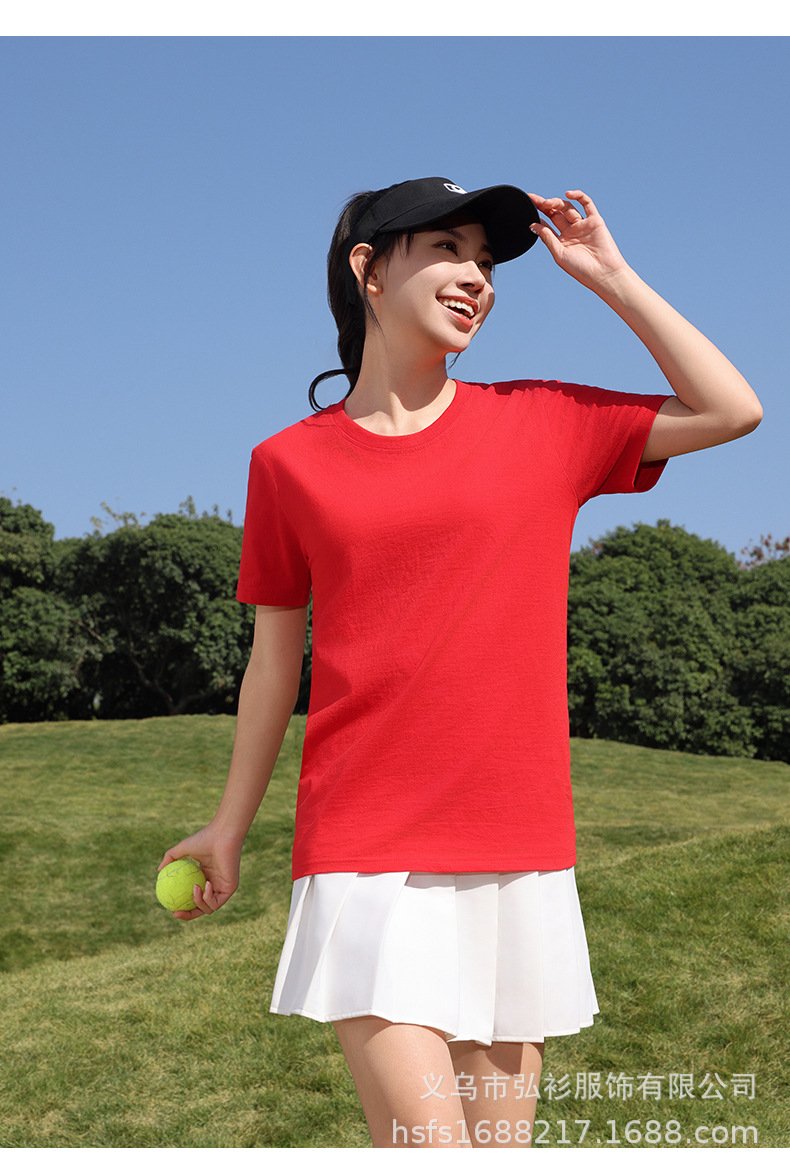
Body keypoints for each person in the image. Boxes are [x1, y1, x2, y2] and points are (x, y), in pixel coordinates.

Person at [159, 177, 762, 1149]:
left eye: (485, 261)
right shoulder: (288, 463)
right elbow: (272, 666)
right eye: (446, 248)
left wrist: (610, 278)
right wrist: (229, 826)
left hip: (516, 845)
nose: (475, 276)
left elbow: (733, 409)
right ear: (368, 269)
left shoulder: (544, 421)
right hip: (365, 850)